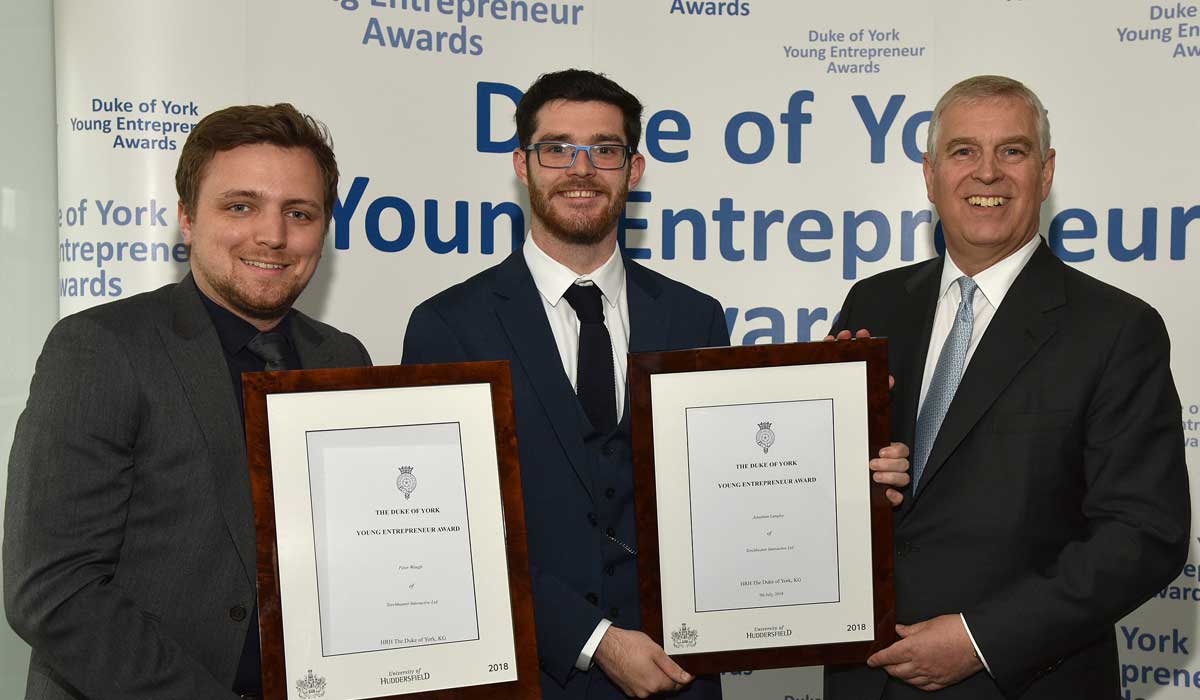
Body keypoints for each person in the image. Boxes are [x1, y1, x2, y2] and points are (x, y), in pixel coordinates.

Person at [403, 68, 911, 699]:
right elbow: (441, 532)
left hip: (679, 678)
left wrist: (843, 482)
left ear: (633, 169)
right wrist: (593, 639)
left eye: (606, 150)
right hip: (527, 678)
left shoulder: (693, 316)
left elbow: (731, 488)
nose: (581, 169)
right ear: (522, 165)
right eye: (557, 148)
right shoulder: (448, 326)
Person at [825, 75, 1189, 698]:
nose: (986, 174)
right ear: (930, 174)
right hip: (867, 677)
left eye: (1012, 151)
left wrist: (981, 639)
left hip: (1019, 681)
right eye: (964, 151)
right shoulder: (874, 303)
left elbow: (1144, 536)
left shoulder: (1116, 329)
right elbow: (834, 490)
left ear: (1045, 174)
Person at [4, 103, 371, 699]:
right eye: (240, 206)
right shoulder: (101, 347)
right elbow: (52, 588)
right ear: (187, 219)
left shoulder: (343, 357)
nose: (272, 236)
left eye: (298, 213)